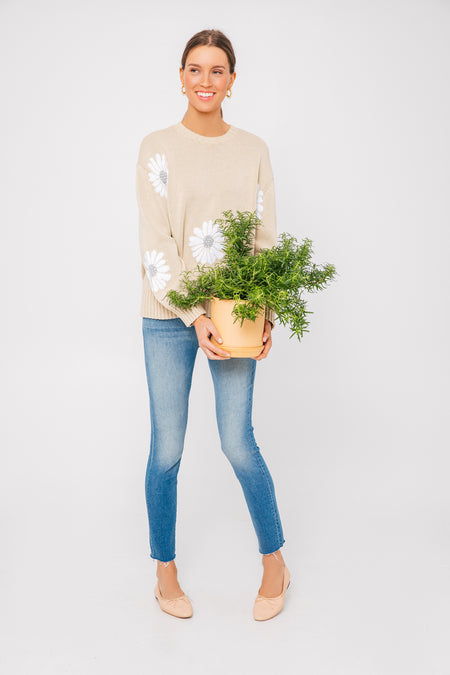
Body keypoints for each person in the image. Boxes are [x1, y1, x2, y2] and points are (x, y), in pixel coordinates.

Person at [136, 28, 290, 621]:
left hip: (235, 314)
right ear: (181, 77)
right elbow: (156, 244)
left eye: (217, 70)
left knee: (237, 441)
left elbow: (263, 240)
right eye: (195, 69)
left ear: (232, 81)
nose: (206, 80)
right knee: (167, 449)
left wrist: (266, 313)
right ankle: (165, 570)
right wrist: (193, 315)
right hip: (166, 316)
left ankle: (274, 560)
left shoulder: (253, 150)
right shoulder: (156, 148)